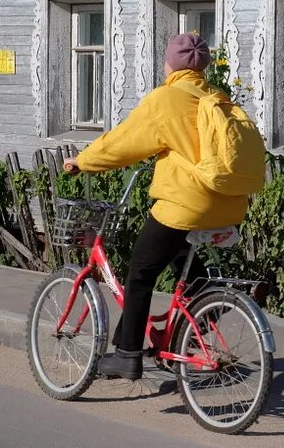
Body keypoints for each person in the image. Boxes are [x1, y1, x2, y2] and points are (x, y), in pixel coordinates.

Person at [63, 33, 258, 380]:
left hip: (187, 203)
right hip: (228, 204)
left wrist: (84, 161)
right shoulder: (215, 97)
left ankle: (127, 355)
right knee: (180, 257)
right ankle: (201, 311)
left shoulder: (167, 99)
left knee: (140, 273)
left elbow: (122, 143)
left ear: (172, 64)